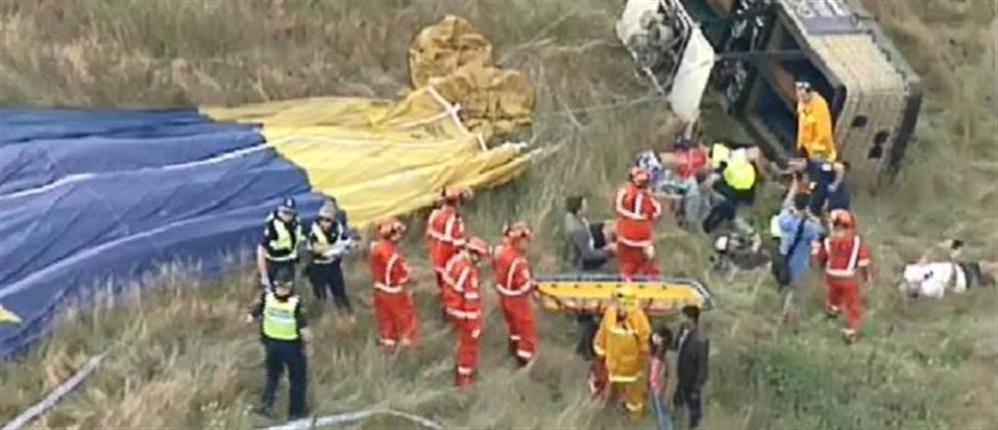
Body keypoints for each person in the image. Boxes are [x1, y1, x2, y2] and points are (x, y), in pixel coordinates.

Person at [247, 268, 311, 420]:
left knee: (273, 377)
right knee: (297, 379)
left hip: (271, 345)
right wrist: (309, 346)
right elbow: (304, 330)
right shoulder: (295, 303)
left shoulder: (267, 297)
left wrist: (253, 317)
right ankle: (296, 412)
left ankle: (266, 407)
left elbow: (253, 314)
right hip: (291, 347)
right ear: (290, 285)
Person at [813, 210, 872, 344]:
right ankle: (851, 329)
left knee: (834, 295)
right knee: (852, 303)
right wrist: (866, 277)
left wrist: (820, 269)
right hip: (848, 277)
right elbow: (863, 261)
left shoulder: (828, 241)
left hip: (831, 276)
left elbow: (820, 258)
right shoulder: (856, 241)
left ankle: (832, 311)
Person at [593, 286, 653, 419]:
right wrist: (600, 354)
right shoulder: (610, 314)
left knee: (634, 399)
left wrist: (643, 366)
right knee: (613, 395)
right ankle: (612, 416)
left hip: (632, 370)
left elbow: (645, 344)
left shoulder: (639, 318)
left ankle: (634, 418)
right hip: (613, 367)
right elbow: (602, 335)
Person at [775, 180, 824, 323]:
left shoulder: (786, 217)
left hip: (783, 254)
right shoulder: (808, 226)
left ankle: (779, 304)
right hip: (798, 261)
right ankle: (788, 314)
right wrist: (814, 218)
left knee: (783, 281)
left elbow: (782, 216)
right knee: (795, 289)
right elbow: (820, 233)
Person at [446, 236, 491, 388]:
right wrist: (475, 326)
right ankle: (464, 379)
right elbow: (471, 301)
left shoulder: (455, 260)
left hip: (452, 306)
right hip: (463, 312)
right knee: (469, 345)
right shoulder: (469, 273)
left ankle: (461, 370)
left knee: (462, 342)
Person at [369, 219, 419, 351]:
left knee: (386, 319)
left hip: (380, 291)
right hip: (395, 292)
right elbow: (402, 276)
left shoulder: (376, 249)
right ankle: (408, 346)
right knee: (405, 319)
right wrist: (411, 278)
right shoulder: (394, 257)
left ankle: (388, 343)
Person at [493, 222, 538, 367]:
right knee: (526, 330)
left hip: (503, 297)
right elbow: (524, 286)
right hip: (518, 300)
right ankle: (524, 361)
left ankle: (513, 349)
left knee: (513, 327)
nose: (528, 245)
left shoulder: (502, 253)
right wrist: (533, 286)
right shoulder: (519, 262)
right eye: (526, 241)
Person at [305, 199, 355, 321]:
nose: (324, 222)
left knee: (339, 292)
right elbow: (317, 249)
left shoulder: (338, 228)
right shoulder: (314, 231)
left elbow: (349, 243)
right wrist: (337, 247)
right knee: (320, 295)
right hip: (318, 267)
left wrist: (341, 247)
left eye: (327, 220)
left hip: (333, 265)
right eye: (322, 219)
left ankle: (348, 316)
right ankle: (322, 319)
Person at [428, 187, 472, 322]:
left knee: (443, 288)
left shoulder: (434, 215)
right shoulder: (454, 221)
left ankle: (444, 312)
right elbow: (459, 244)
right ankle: (451, 317)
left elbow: (429, 235)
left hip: (437, 259)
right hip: (449, 262)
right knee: (453, 291)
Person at [900, 239, 997, 299]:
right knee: (987, 272)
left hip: (958, 267)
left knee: (986, 268)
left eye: (908, 285)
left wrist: (936, 249)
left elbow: (923, 261)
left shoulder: (911, 272)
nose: (912, 285)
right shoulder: (929, 290)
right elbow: (950, 283)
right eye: (911, 289)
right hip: (962, 279)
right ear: (915, 292)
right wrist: (953, 261)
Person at [615, 167, 663, 280]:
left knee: (639, 261)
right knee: (636, 261)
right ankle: (643, 280)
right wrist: (637, 217)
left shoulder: (644, 194)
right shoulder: (628, 192)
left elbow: (657, 210)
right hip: (632, 231)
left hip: (637, 232)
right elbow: (657, 211)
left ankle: (644, 280)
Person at [702, 142, 759, 235]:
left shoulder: (747, 165)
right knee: (725, 207)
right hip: (728, 188)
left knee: (726, 208)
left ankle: (712, 225)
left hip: (734, 190)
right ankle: (711, 224)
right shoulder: (735, 156)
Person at [257, 198, 305, 290]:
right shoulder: (272, 227)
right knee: (275, 291)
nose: (287, 216)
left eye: (290, 213)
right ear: (279, 210)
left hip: (290, 261)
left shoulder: (296, 222)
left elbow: (299, 238)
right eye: (285, 212)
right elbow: (261, 250)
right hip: (274, 263)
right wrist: (264, 275)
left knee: (289, 290)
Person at [675, 305, 708, 430]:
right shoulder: (681, 334)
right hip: (678, 381)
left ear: (691, 319)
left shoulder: (700, 340)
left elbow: (702, 366)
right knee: (678, 410)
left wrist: (696, 387)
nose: (679, 319)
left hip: (691, 383)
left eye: (682, 316)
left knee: (694, 414)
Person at [564, 195, 616, 272]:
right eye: (584, 207)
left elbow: (587, 227)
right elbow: (588, 255)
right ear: (578, 210)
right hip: (583, 264)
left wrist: (602, 224)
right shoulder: (577, 230)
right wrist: (608, 252)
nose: (587, 208)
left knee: (609, 229)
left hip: (589, 241)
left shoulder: (572, 217)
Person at [795, 81, 837, 163]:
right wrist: (800, 149)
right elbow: (802, 129)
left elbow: (824, 133)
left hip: (819, 153)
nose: (800, 96)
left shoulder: (819, 106)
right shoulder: (802, 104)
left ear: (810, 92)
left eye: (803, 94)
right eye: (798, 92)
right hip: (805, 151)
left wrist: (812, 152)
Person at [649, 326, 678, 430]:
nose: (655, 338)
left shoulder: (669, 354)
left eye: (658, 336)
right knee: (660, 418)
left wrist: (667, 395)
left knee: (665, 418)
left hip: (663, 390)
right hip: (655, 389)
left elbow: (673, 377)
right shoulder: (657, 352)